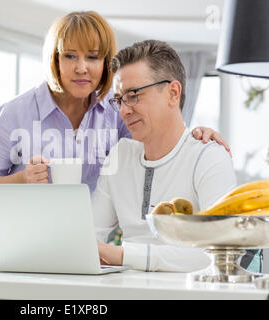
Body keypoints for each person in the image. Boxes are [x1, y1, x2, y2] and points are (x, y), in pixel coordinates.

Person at [0, 12, 229, 268]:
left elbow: (156, 137)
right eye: (70, 55)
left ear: (105, 63)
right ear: (54, 60)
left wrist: (195, 138)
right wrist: (23, 179)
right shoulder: (15, 114)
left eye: (93, 57)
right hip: (11, 252)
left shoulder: (114, 110)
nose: (81, 67)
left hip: (75, 254)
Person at [93, 40, 238, 272]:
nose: (124, 110)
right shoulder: (120, 156)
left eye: (133, 95)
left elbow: (222, 253)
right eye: (119, 99)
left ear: (173, 93)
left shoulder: (209, 156)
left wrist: (123, 255)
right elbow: (89, 235)